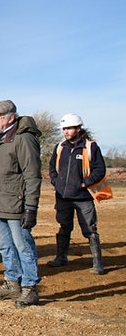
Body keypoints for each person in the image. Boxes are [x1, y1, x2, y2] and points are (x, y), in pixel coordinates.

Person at [0, 100, 42, 307]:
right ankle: (12, 283)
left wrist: (31, 208)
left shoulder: (24, 139)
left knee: (23, 246)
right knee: (5, 247)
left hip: (16, 206)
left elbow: (32, 176)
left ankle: (30, 287)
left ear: (10, 117)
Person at [47, 113, 109, 275]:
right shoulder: (60, 147)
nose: (66, 131)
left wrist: (84, 184)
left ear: (78, 128)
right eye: (64, 129)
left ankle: (97, 263)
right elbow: (52, 168)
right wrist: (56, 182)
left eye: (69, 128)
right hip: (63, 196)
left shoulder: (90, 147)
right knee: (64, 226)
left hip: (83, 197)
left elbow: (100, 170)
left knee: (90, 229)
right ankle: (61, 257)